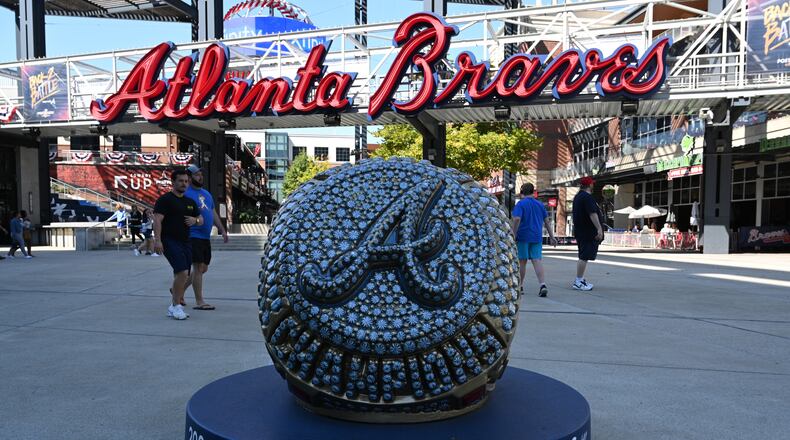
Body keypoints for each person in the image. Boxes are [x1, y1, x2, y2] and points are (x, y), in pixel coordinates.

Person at [153, 169, 203, 320]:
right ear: (173, 182)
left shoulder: (190, 202)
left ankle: (173, 306)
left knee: (181, 274)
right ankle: (176, 306)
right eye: (181, 181)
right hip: (169, 240)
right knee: (182, 272)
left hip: (186, 241)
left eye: (186, 181)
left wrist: (196, 221)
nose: (184, 184)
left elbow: (201, 218)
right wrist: (157, 240)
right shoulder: (165, 200)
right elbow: (157, 220)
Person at [183, 164, 229, 311]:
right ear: (189, 178)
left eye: (201, 174)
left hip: (204, 236)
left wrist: (222, 229)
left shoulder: (206, 194)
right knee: (197, 267)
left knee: (203, 268)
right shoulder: (186, 194)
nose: (200, 177)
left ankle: (177, 290)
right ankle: (199, 301)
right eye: (196, 175)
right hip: (192, 235)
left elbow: (212, 212)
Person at [511, 182, 557, 297]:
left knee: (522, 261)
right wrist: (552, 237)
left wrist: (513, 234)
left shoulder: (520, 204)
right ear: (533, 192)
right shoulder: (540, 205)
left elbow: (516, 219)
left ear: (522, 192)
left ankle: (520, 286)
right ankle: (542, 284)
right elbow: (547, 222)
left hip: (522, 236)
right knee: (537, 260)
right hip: (536, 236)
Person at [571, 177, 603, 291]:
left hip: (581, 231)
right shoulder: (587, 197)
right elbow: (592, 213)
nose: (593, 185)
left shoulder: (578, 197)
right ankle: (578, 281)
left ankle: (580, 279)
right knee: (584, 256)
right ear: (589, 185)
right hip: (587, 232)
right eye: (592, 184)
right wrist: (599, 228)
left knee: (583, 255)